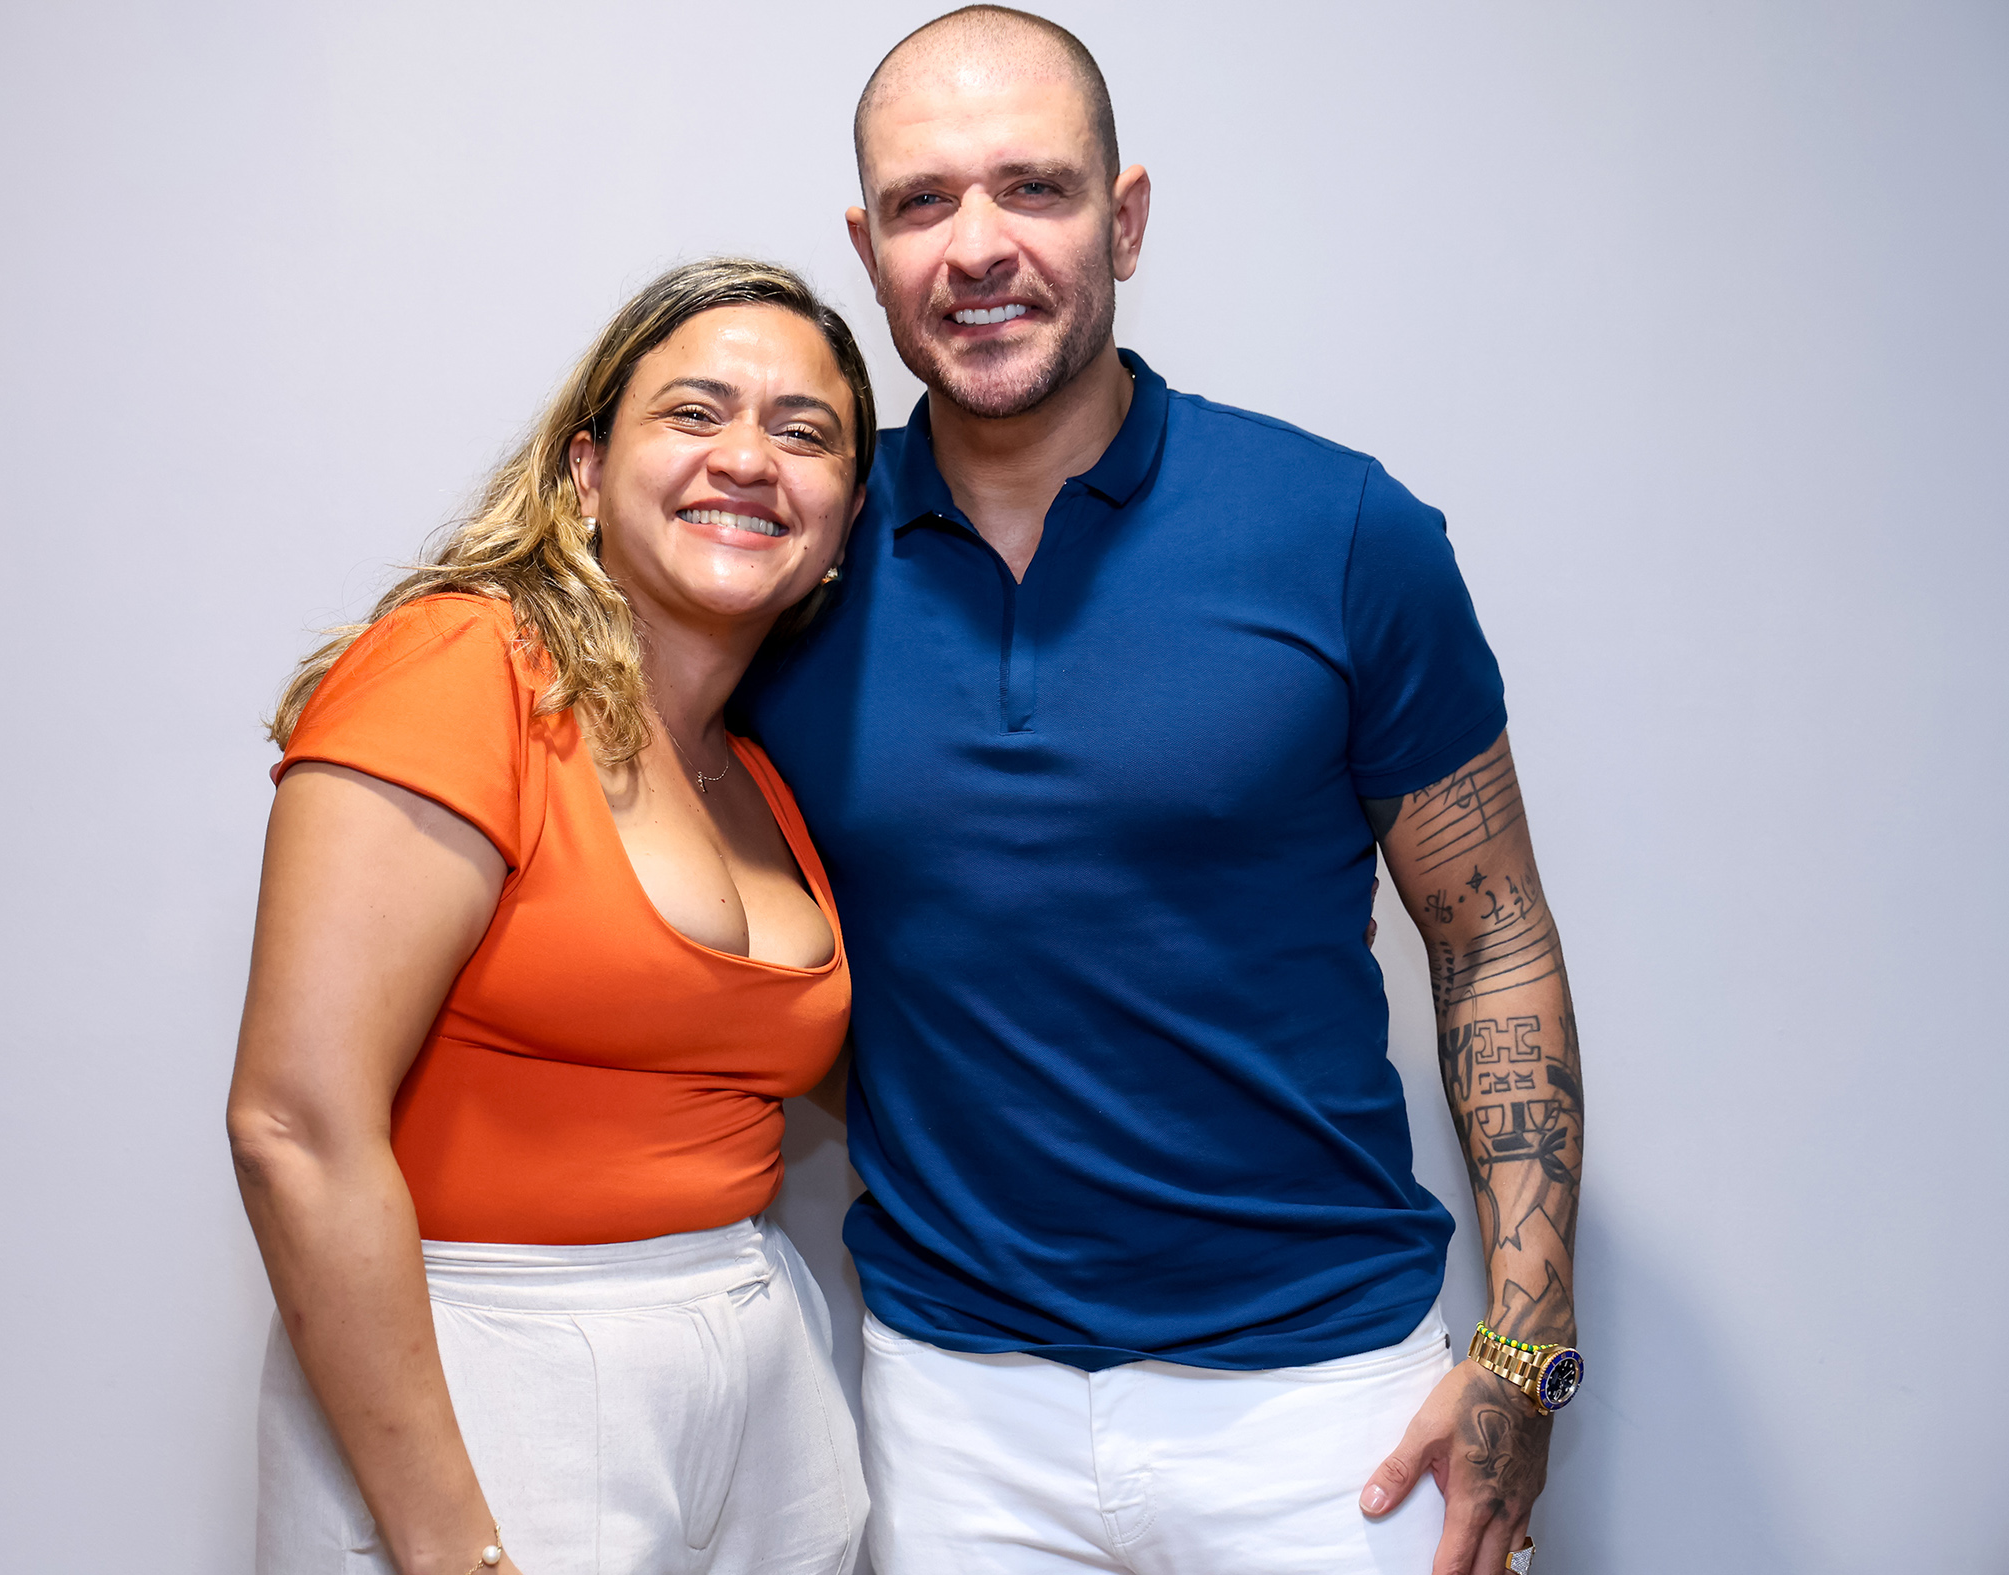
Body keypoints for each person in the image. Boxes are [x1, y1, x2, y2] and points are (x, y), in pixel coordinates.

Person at [734, 9, 1585, 1575]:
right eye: (922, 204)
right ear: (867, 251)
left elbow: (1494, 939)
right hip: (951, 1405)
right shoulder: (789, 568)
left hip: (1321, 1403)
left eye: (1032, 189)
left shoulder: (1339, 531)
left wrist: (1529, 1358)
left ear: (1123, 219)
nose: (975, 247)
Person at [227, 259, 876, 1575]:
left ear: (846, 521)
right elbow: (294, 1128)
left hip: (759, 1367)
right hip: (493, 1367)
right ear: (585, 469)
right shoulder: (461, 669)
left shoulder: (755, 772)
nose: (748, 458)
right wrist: (445, 1545)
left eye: (803, 432)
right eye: (694, 413)